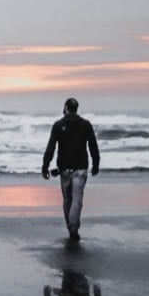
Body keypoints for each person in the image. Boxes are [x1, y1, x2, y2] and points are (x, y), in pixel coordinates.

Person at [42, 98, 100, 240]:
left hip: (65, 170)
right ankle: (73, 226)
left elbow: (51, 147)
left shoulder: (58, 125)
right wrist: (96, 164)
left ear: (66, 108)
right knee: (77, 198)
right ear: (76, 108)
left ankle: (71, 226)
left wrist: (45, 165)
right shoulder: (86, 125)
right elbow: (93, 146)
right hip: (81, 168)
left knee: (68, 199)